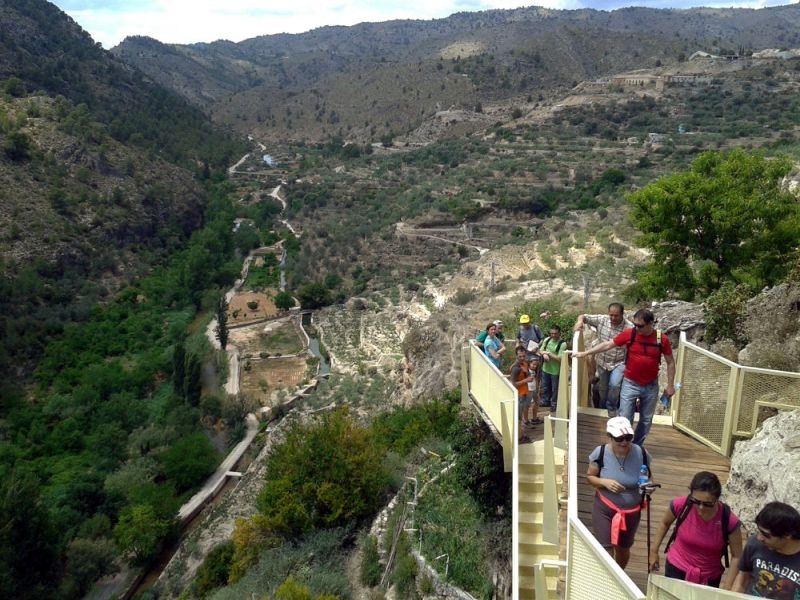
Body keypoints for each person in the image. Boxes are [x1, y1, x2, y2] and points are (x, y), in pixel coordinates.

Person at [573, 308, 675, 446]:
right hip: (630, 383)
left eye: (640, 326)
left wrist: (670, 385)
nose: (637, 328)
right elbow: (608, 344)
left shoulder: (660, 338)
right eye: (635, 325)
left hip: (650, 385)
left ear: (651, 323)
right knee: (625, 417)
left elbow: (670, 362)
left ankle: (636, 446)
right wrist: (585, 353)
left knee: (646, 420)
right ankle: (623, 444)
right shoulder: (630, 333)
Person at [648, 471, 743, 589]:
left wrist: (727, 587)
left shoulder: (728, 520)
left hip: (709, 577)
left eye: (708, 504)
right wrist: (653, 551)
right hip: (676, 568)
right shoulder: (682, 505)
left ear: (717, 499)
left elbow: (737, 556)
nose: (701, 507)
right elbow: (664, 523)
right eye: (696, 501)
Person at [587, 416, 652, 569]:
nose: (624, 442)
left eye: (628, 437)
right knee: (605, 549)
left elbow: (648, 477)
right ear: (609, 437)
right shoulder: (600, 452)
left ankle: (620, 575)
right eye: (619, 438)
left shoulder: (642, 453)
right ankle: (609, 582)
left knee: (623, 548)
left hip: (631, 511)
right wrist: (604, 482)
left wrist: (648, 487)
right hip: (605, 508)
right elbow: (590, 477)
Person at [573, 302, 633, 418]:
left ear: (622, 314)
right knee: (603, 389)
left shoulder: (629, 328)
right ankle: (601, 409)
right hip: (602, 361)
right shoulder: (602, 320)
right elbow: (583, 316)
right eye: (611, 315)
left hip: (619, 362)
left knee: (615, 385)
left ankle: (611, 408)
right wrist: (580, 322)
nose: (613, 318)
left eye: (616, 315)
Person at [732, 501, 800, 598]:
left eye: (766, 535)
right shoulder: (754, 544)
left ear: (787, 535)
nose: (759, 537)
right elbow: (742, 577)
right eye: (759, 531)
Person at [509, 346, 541, 444]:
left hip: (524, 394)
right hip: (518, 395)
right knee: (518, 417)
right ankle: (519, 438)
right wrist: (526, 380)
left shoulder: (525, 364)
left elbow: (525, 375)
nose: (522, 358)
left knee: (521, 415)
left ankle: (521, 435)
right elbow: (513, 384)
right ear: (516, 356)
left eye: (523, 356)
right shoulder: (515, 368)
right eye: (520, 356)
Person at [539, 324, 567, 411]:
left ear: (559, 333)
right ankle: (545, 401)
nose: (553, 335)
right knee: (545, 387)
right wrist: (543, 354)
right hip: (545, 368)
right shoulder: (547, 340)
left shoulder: (562, 344)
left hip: (556, 371)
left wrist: (548, 354)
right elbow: (540, 350)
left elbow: (560, 359)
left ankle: (554, 404)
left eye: (555, 333)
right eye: (551, 333)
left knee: (555, 389)